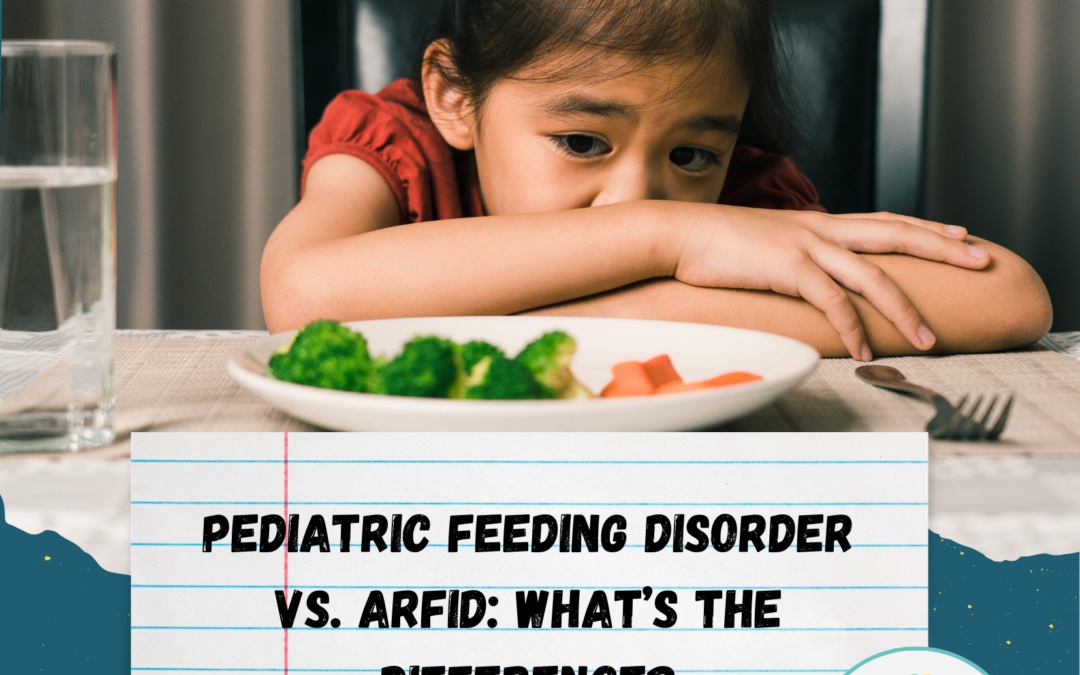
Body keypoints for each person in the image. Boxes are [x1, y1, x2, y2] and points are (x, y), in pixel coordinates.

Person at [261, 0, 1052, 360]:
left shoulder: (744, 193)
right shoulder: (395, 138)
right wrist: (670, 237)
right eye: (582, 141)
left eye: (691, 156)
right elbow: (300, 297)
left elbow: (1008, 296)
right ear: (454, 97)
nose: (637, 198)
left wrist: (554, 315)